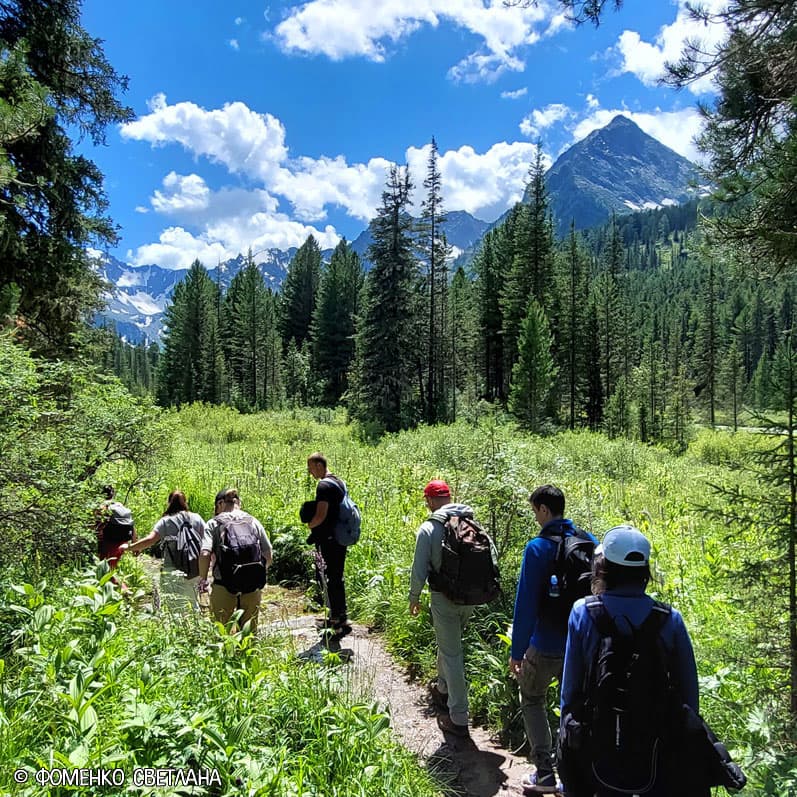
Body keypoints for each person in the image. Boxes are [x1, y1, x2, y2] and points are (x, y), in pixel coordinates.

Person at [559, 525, 701, 797]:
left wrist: (567, 747)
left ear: (604, 568)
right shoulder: (670, 619)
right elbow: (689, 697)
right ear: (644, 571)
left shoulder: (582, 612)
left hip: (594, 743)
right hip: (654, 747)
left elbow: (570, 691)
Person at [510, 484, 597, 793]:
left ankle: (545, 772)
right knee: (573, 707)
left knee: (532, 698)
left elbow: (526, 605)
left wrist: (517, 650)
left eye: (535, 511)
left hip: (544, 645)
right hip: (581, 646)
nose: (535, 517)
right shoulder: (588, 541)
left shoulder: (537, 548)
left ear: (544, 510)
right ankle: (571, 775)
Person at [409, 479, 476, 738]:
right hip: (470, 598)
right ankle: (443, 688)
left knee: (452, 654)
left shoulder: (429, 528)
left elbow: (419, 568)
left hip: (443, 598)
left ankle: (458, 717)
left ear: (430, 500)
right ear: (450, 496)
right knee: (448, 645)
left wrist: (414, 597)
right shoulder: (470, 521)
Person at [197, 488, 272, 633]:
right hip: (252, 586)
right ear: (239, 502)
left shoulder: (214, 523)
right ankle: (247, 655)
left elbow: (205, 553)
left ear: (219, 504)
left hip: (223, 585)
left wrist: (203, 579)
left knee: (221, 633)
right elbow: (268, 552)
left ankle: (226, 656)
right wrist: (258, 573)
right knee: (249, 634)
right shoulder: (253, 521)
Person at [119, 490, 206, 612]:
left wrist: (129, 547)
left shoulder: (166, 521)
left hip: (172, 569)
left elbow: (150, 540)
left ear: (169, 503)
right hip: (193, 568)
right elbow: (207, 541)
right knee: (192, 602)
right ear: (185, 502)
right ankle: (195, 627)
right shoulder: (197, 518)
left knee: (173, 604)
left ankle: (179, 629)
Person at [305, 452, 351, 637]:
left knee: (329, 578)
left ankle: (336, 623)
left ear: (318, 465)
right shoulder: (338, 481)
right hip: (340, 537)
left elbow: (321, 515)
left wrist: (310, 524)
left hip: (329, 539)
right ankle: (340, 616)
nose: (310, 472)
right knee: (337, 577)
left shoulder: (323, 486)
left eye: (310, 468)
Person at [95, 484, 136, 569]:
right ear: (113, 494)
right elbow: (131, 523)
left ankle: (119, 583)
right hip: (123, 541)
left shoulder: (102, 506)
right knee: (111, 569)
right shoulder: (119, 505)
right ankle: (116, 582)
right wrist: (134, 542)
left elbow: (98, 526)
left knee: (106, 571)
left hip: (109, 543)